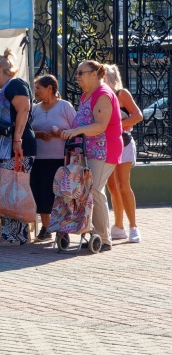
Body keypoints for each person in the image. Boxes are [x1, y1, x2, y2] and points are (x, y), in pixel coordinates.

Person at [61, 61, 123, 252]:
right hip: (89, 150)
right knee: (88, 191)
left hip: (104, 151)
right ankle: (93, 232)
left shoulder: (103, 94)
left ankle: (104, 239)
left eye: (81, 73)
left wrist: (77, 130)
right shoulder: (86, 95)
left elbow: (100, 125)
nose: (77, 76)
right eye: (77, 73)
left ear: (95, 74)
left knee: (95, 189)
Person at [0, 48, 37, 246]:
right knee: (8, 188)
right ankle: (11, 235)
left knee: (14, 188)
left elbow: (24, 109)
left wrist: (17, 139)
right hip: (8, 149)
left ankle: (16, 236)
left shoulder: (15, 85)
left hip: (16, 148)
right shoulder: (7, 88)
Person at [30, 75, 76, 240]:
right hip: (39, 159)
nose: (36, 92)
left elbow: (77, 131)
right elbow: (28, 132)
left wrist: (60, 134)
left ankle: (62, 229)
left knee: (60, 194)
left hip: (60, 159)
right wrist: (40, 134)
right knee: (42, 192)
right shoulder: (35, 109)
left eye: (38, 89)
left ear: (49, 89)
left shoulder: (65, 107)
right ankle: (46, 227)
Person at [104, 65, 142, 243]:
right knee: (112, 186)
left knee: (123, 185)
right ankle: (118, 226)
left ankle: (133, 226)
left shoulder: (121, 94)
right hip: (106, 144)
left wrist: (118, 123)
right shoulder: (100, 98)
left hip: (124, 142)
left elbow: (138, 115)